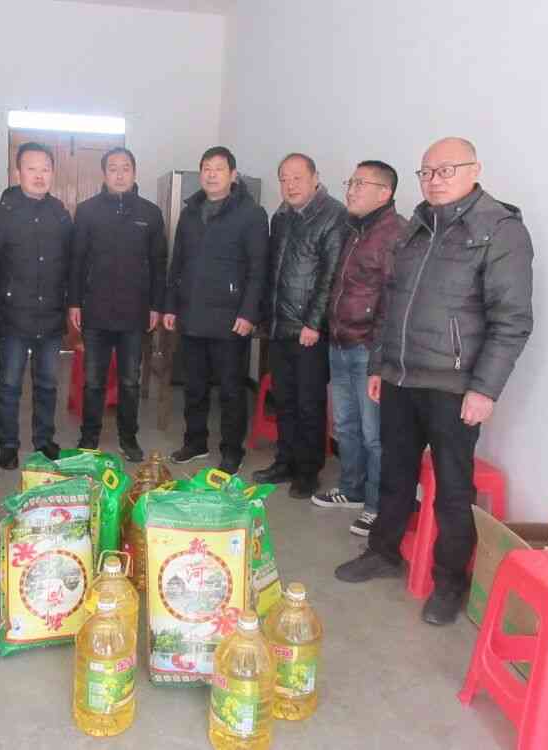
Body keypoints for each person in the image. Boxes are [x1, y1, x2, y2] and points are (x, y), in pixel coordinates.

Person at [335, 138, 534, 626]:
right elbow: (391, 304)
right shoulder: (416, 228)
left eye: (447, 170)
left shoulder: (499, 231)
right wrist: (380, 365)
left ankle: (449, 582)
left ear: (475, 169)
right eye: (426, 172)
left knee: (452, 489)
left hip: (454, 385)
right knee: (395, 472)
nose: (435, 180)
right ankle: (383, 551)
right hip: (401, 376)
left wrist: (484, 389)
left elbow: (511, 320)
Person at [311, 160, 407, 536]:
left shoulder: (394, 234)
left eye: (360, 184)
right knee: (345, 425)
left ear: (385, 193)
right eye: (350, 182)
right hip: (341, 341)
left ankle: (375, 504)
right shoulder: (355, 229)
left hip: (369, 349)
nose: (350, 190)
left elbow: (392, 303)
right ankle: (351, 488)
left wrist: (379, 358)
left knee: (373, 433)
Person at [163, 146, 268, 474]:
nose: (211, 174)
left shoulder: (251, 214)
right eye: (206, 168)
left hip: (230, 318)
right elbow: (177, 262)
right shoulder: (191, 211)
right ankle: (195, 442)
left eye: (219, 168)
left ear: (233, 175)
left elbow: (258, 269)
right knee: (193, 386)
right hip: (192, 314)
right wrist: (170, 305)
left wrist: (248, 313)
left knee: (231, 390)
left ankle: (232, 450)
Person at [252, 153, 346, 498]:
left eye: (297, 178)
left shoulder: (333, 215)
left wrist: (314, 323)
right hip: (280, 325)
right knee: (284, 400)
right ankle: (285, 461)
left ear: (315, 178)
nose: (290, 185)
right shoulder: (282, 216)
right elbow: (273, 270)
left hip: (309, 331)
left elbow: (331, 275)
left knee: (309, 404)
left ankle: (308, 471)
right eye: (284, 179)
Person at [68, 147, 166, 462]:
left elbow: (159, 264)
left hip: (134, 313)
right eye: (113, 168)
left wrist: (156, 305)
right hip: (95, 310)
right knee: (93, 380)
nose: (120, 174)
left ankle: (128, 438)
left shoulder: (150, 213)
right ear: (104, 173)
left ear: (134, 172)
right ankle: (89, 438)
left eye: (126, 168)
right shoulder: (87, 211)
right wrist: (74, 302)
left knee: (130, 381)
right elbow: (77, 260)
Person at [0, 142, 73, 469]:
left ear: (53, 173)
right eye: (31, 169)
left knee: (47, 384)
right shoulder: (0, 215)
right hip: (14, 318)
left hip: (50, 316)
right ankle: (8, 444)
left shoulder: (60, 215)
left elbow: (69, 264)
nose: (39, 175)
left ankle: (44, 440)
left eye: (45, 169)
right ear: (18, 173)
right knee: (9, 385)